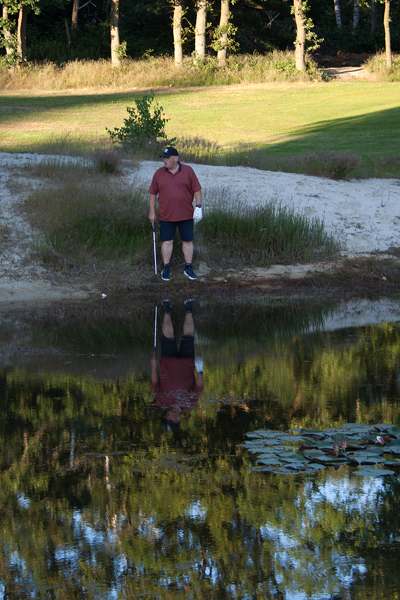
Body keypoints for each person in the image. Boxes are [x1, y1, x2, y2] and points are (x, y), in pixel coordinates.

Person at [148, 147, 203, 281]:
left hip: (186, 214)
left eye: (167, 158)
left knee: (188, 241)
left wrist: (199, 207)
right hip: (166, 215)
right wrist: (152, 212)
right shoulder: (159, 173)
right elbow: (153, 194)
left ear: (175, 158)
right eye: (164, 158)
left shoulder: (188, 171)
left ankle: (188, 267)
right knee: (167, 241)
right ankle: (166, 268)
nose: (164, 160)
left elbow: (197, 190)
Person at [151, 299, 203, 431]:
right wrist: (200, 371)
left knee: (168, 335)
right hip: (187, 363)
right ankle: (188, 308)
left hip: (167, 362)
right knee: (188, 335)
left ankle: (167, 309)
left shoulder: (161, 402)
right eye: (171, 420)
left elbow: (155, 383)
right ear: (178, 419)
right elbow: (198, 388)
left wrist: (153, 366)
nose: (168, 417)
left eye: (167, 419)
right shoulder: (190, 405)